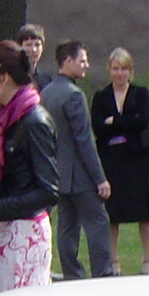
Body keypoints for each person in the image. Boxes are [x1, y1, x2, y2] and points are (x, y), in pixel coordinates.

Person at [0, 41, 58, 292]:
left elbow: (48, 192)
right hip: (6, 232)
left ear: (4, 78)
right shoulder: (10, 117)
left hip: (24, 237)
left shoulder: (34, 122)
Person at [42, 40, 114, 280]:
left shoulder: (46, 93)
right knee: (98, 222)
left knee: (67, 226)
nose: (86, 65)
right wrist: (100, 179)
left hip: (57, 173)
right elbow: (84, 140)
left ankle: (72, 275)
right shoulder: (73, 95)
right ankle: (102, 274)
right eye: (82, 60)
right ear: (67, 61)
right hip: (79, 174)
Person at [91, 48, 149, 274]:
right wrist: (125, 122)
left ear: (130, 71)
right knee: (111, 212)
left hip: (138, 158)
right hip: (111, 159)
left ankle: (147, 260)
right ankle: (113, 261)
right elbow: (98, 127)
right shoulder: (101, 97)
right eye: (115, 68)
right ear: (109, 70)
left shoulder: (141, 93)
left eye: (124, 69)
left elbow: (142, 122)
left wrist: (115, 121)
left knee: (145, 211)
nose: (119, 73)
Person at [15, 23, 55, 91]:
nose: (33, 50)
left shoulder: (47, 80)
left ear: (42, 48)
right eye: (28, 45)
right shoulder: (13, 78)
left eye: (37, 45)